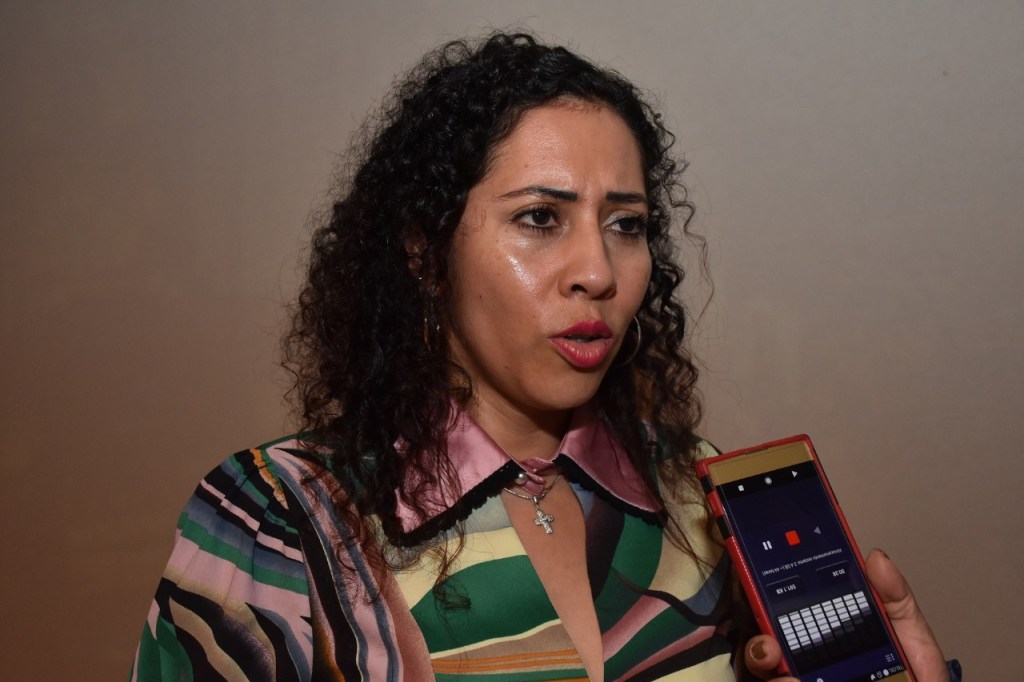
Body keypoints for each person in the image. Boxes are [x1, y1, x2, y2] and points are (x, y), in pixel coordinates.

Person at [131, 32, 953, 681]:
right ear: (425, 253)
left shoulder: (695, 492)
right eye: (539, 218)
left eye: (626, 225)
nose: (597, 271)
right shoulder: (278, 516)